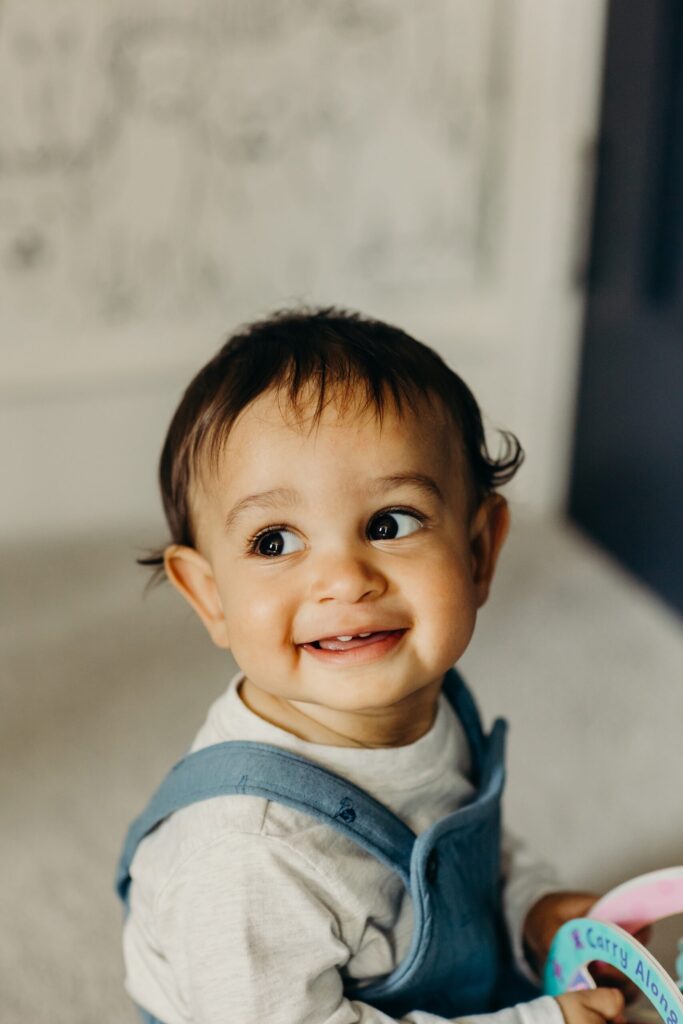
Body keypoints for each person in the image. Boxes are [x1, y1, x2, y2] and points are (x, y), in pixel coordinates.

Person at [116, 308, 625, 1024]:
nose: (344, 578)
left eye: (389, 524)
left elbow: (462, 853)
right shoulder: (244, 855)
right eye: (273, 541)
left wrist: (530, 908)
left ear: (479, 553)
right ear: (209, 596)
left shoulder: (430, 703)